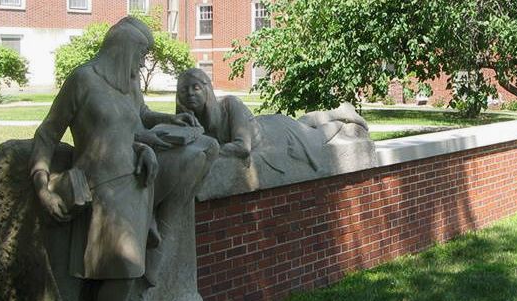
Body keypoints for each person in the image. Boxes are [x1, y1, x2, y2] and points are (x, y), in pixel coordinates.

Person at [29, 17, 215, 301]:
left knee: (203, 150)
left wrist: (170, 120)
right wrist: (42, 187)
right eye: (141, 55)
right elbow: (46, 135)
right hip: (104, 193)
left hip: (138, 184)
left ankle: (152, 232)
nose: (142, 64)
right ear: (125, 49)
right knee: (124, 270)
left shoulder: (130, 84)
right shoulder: (83, 80)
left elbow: (140, 117)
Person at [175, 68, 369, 179]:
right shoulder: (189, 119)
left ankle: (342, 121)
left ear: (207, 90)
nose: (190, 93)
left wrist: (208, 150)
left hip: (276, 134)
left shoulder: (229, 104)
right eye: (184, 90)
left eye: (196, 87)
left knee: (315, 136)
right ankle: (335, 112)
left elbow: (243, 147)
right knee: (303, 123)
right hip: (266, 123)